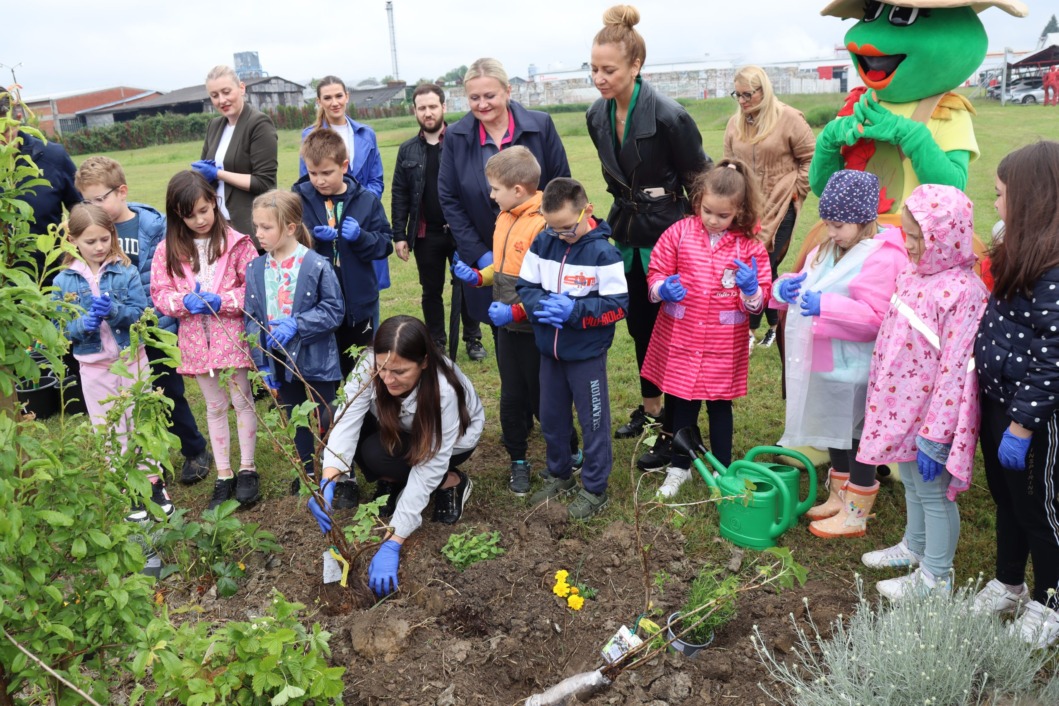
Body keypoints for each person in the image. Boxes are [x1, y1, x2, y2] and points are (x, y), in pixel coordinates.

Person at [856, 184, 987, 599]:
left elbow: (956, 369)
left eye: (919, 238)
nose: (910, 246)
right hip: (901, 407)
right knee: (912, 483)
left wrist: (938, 432)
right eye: (908, 236)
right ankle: (913, 546)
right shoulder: (913, 275)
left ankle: (936, 576)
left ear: (946, 238)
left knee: (934, 494)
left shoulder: (965, 293)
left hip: (932, 415)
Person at [587, 5, 710, 443]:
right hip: (626, 233)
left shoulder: (669, 115)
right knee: (638, 323)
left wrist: (702, 242)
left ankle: (680, 423)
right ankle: (653, 408)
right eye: (594, 69)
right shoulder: (594, 115)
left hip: (669, 234)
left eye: (609, 69)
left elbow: (701, 178)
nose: (599, 78)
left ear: (636, 65)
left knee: (671, 326)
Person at [771, 170, 907, 539]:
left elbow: (877, 319)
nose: (831, 232)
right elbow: (804, 280)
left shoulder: (882, 257)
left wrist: (824, 306)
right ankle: (838, 493)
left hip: (859, 366)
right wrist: (784, 288)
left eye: (839, 225)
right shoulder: (827, 249)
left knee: (859, 437)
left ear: (865, 220)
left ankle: (856, 512)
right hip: (828, 361)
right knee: (835, 428)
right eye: (827, 223)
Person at [311, 315, 485, 597]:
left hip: (452, 443)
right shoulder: (370, 365)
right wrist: (328, 478)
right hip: (404, 430)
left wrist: (394, 541)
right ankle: (393, 478)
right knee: (347, 427)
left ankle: (452, 481)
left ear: (424, 362)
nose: (388, 379)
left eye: (400, 372)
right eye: (382, 368)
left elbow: (429, 464)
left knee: (410, 468)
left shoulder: (444, 392)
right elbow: (346, 422)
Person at [74, 156, 213, 486]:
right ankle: (149, 460)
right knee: (131, 401)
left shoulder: (150, 226)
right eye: (86, 201)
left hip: (154, 327)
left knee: (168, 393)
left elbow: (168, 274)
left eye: (99, 199)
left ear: (121, 191)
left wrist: (157, 317)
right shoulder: (93, 233)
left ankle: (194, 449)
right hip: (117, 337)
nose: (93, 207)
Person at [638, 160, 771, 498]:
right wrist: (663, 288)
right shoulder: (679, 233)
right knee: (682, 402)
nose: (712, 220)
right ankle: (679, 467)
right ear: (698, 200)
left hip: (722, 344)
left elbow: (757, 304)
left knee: (719, 405)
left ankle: (722, 468)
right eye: (707, 210)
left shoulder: (750, 247)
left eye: (722, 215)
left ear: (739, 211)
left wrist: (752, 288)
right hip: (681, 336)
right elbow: (654, 274)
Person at [453, 147, 581, 495]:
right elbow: (506, 268)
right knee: (511, 394)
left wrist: (517, 311)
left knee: (545, 397)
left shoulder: (544, 223)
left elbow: (547, 283)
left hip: (536, 328)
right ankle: (518, 461)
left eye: (495, 188)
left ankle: (570, 449)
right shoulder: (505, 216)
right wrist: (480, 277)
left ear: (519, 190)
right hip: (506, 328)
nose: (490, 194)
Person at [973, 140, 1059, 648]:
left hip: (1033, 417)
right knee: (1006, 499)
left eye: (1003, 195)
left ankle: (1050, 602)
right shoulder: (1022, 249)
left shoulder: (1053, 271)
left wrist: (1023, 425)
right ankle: (1009, 582)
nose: (997, 204)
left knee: (1040, 510)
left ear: (1032, 200)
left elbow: (1053, 357)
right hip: (998, 402)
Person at [438, 57, 571, 361]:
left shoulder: (541, 125)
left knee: (546, 334)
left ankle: (549, 404)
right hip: (488, 258)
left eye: (490, 96)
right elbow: (449, 199)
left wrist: (546, 243)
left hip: (541, 253)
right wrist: (484, 254)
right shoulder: (456, 137)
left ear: (508, 90)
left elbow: (561, 186)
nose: (482, 104)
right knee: (507, 345)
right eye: (474, 98)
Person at [517, 178, 629, 520]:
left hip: (587, 356)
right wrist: (541, 305)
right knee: (552, 419)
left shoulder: (603, 253)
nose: (561, 235)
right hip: (548, 353)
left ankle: (595, 488)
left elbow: (618, 305)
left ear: (587, 211)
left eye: (567, 228)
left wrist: (576, 312)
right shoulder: (544, 241)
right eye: (554, 228)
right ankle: (560, 473)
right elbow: (526, 285)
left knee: (593, 423)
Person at [151, 171, 259, 511]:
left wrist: (223, 301)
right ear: (176, 215)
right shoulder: (167, 249)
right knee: (214, 406)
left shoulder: (239, 243)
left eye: (203, 210)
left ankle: (248, 470)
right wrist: (184, 303)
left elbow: (253, 290)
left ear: (214, 203)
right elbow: (159, 293)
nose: (198, 220)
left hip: (233, 338)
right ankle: (224, 473)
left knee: (241, 401)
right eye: (189, 214)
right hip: (197, 343)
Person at [244, 191, 344, 497]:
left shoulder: (315, 265)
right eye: (256, 226)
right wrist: (261, 360)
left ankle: (336, 467)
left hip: (316, 358)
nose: (258, 234)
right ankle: (308, 469)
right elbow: (252, 316)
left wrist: (298, 324)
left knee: (326, 413)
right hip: (280, 359)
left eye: (266, 227)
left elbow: (334, 310)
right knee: (295, 414)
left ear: (290, 227)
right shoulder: (256, 269)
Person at [723, 65, 816, 352]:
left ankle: (751, 329)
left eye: (747, 94)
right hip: (747, 207)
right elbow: (729, 161)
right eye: (736, 95)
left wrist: (796, 191)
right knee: (760, 264)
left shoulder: (789, 119)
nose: (742, 101)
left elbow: (811, 157)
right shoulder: (734, 123)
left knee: (763, 261)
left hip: (781, 204)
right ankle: (771, 326)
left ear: (763, 90)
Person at [294, 128, 393, 385]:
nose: (319, 181)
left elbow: (384, 244)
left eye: (327, 173)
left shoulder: (366, 201)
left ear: (344, 166)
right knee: (324, 371)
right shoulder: (299, 200)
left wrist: (360, 237)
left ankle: (366, 421)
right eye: (312, 173)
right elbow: (285, 247)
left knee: (360, 370)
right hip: (316, 304)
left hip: (358, 303)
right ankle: (331, 419)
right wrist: (311, 241)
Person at [391, 83, 481, 355]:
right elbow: (400, 194)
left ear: (443, 107)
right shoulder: (407, 150)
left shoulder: (461, 141)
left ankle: (472, 339)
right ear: (415, 111)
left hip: (461, 230)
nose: (428, 113)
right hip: (425, 232)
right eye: (422, 108)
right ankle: (437, 341)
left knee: (466, 286)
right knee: (431, 291)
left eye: (433, 106)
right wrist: (399, 235)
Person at [297, 75, 391, 299]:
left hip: (361, 217)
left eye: (339, 96)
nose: (334, 102)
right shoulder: (309, 135)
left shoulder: (366, 133)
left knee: (364, 279)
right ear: (319, 101)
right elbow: (307, 183)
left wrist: (361, 205)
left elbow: (376, 179)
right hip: (325, 215)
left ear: (347, 97)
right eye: (327, 98)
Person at [192, 65, 278, 246]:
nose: (222, 100)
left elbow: (264, 183)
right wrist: (201, 175)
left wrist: (218, 174)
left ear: (241, 88)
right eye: (214, 96)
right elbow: (203, 173)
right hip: (219, 225)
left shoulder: (258, 124)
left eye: (226, 92)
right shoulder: (215, 126)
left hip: (250, 227)